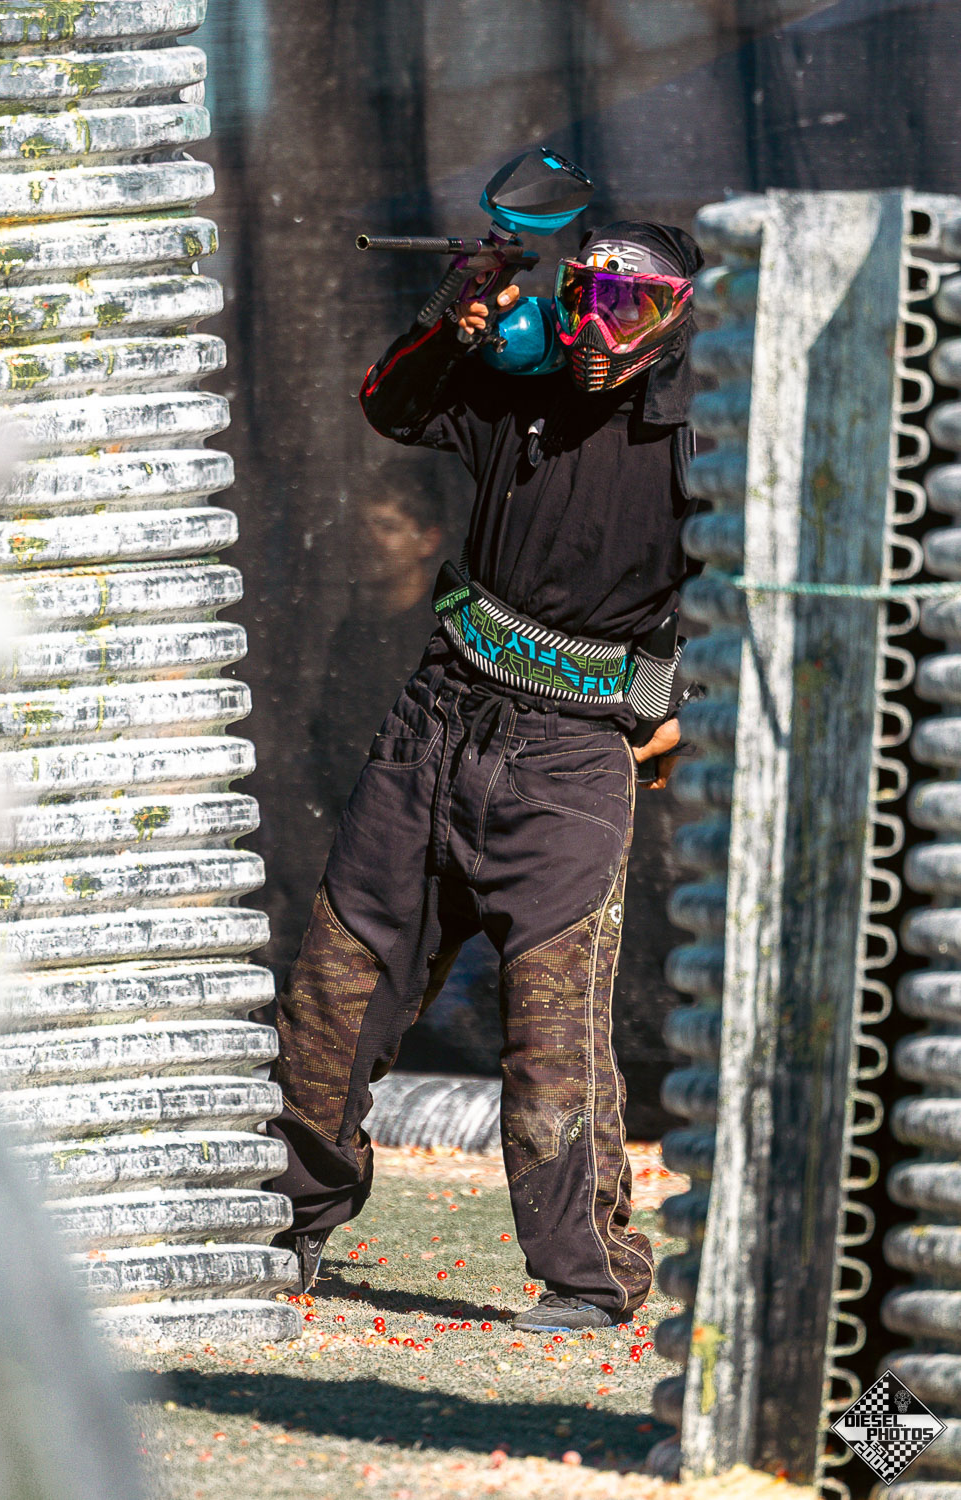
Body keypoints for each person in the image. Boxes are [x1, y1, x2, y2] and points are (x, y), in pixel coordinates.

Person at [268, 220, 704, 1334]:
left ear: (675, 318)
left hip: (571, 755)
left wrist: (670, 702)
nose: (601, 334)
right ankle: (286, 1223)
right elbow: (393, 405)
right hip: (437, 717)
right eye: (588, 301)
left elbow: (762, 588)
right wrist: (456, 309)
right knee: (337, 985)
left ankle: (588, 1278)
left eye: (632, 309)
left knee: (556, 1028)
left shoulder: (702, 438)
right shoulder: (523, 383)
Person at [311, 484, 444, 823]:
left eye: (387, 527)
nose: (369, 540)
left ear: (428, 540)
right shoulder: (352, 634)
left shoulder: (444, 632)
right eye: (362, 526)